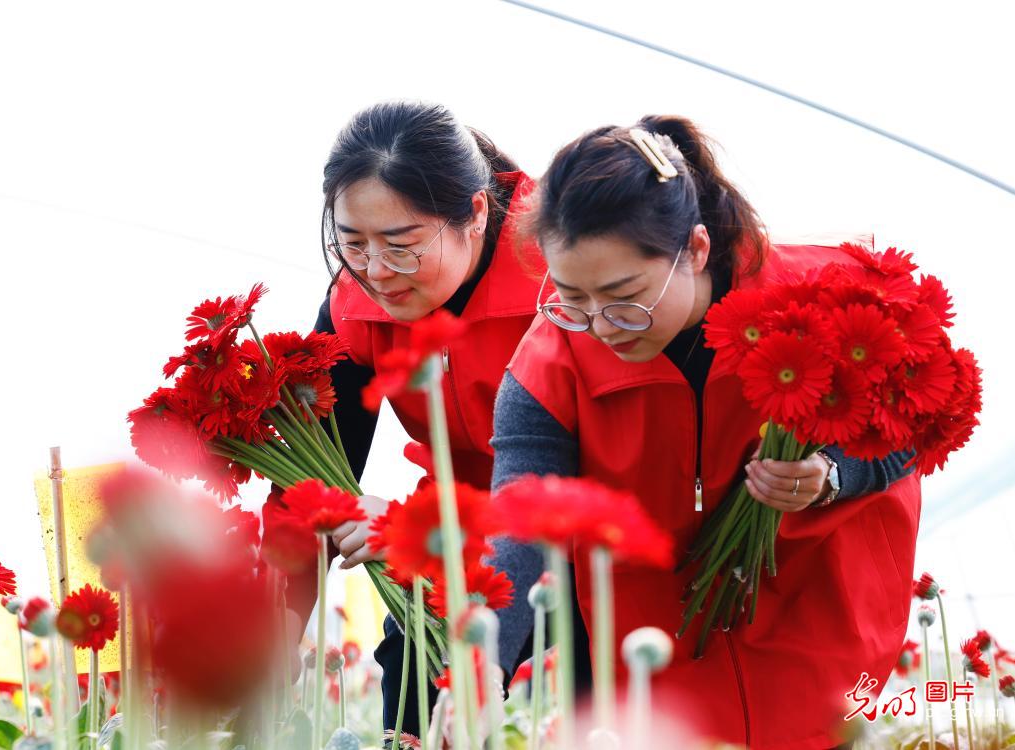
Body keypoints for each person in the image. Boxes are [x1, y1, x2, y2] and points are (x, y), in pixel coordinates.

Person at [490, 115, 921, 750]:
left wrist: (831, 474)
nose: (602, 325)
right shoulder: (550, 361)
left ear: (694, 249)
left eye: (622, 293)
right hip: (658, 632)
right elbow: (520, 519)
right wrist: (479, 662)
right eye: (572, 297)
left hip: (821, 606)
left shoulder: (826, 295)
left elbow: (911, 433)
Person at [280, 100, 592, 742]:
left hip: (586, 538)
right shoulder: (352, 307)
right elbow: (312, 477)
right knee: (411, 670)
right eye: (352, 243)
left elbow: (608, 461)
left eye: (401, 245)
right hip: (451, 546)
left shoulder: (568, 279)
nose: (374, 271)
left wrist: (417, 530)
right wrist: (276, 629)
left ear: (476, 213)